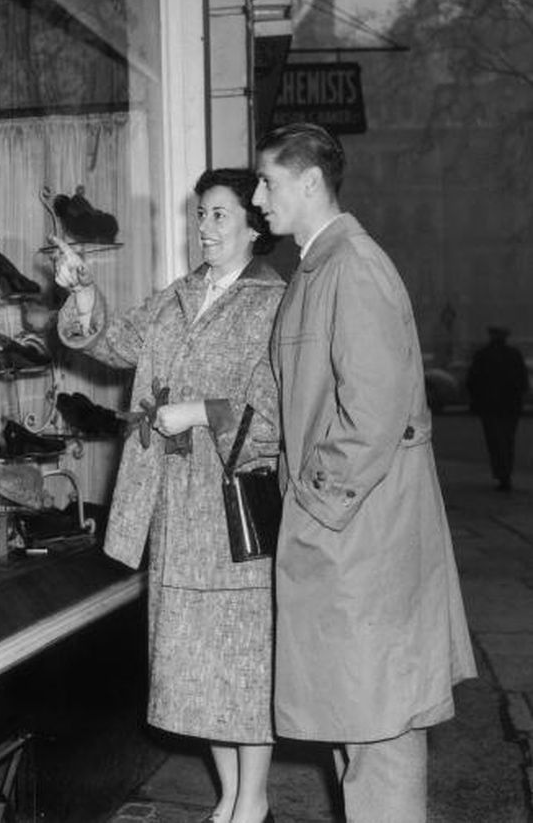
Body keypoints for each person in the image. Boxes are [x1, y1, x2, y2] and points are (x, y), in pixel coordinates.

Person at [252, 123, 477, 823]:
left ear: (311, 182)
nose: (259, 198)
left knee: (381, 737)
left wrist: (313, 507)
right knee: (358, 730)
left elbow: (374, 413)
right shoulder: (321, 267)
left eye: (269, 182)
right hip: (349, 548)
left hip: (361, 545)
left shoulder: (354, 266)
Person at [53, 168, 285, 823]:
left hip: (235, 514)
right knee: (196, 665)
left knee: (244, 664)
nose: (203, 228)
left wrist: (203, 411)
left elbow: (280, 414)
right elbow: (107, 341)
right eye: (201, 215)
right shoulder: (178, 296)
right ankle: (231, 797)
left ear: (253, 225)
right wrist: (85, 289)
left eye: (218, 215)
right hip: (175, 511)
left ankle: (252, 798)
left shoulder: (275, 305)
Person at [466, 326, 529, 492]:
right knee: (508, 441)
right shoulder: (514, 355)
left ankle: (501, 473)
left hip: (490, 406)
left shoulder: (483, 355)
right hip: (510, 407)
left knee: (495, 441)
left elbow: (472, 381)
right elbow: (523, 381)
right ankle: (505, 473)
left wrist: (476, 401)